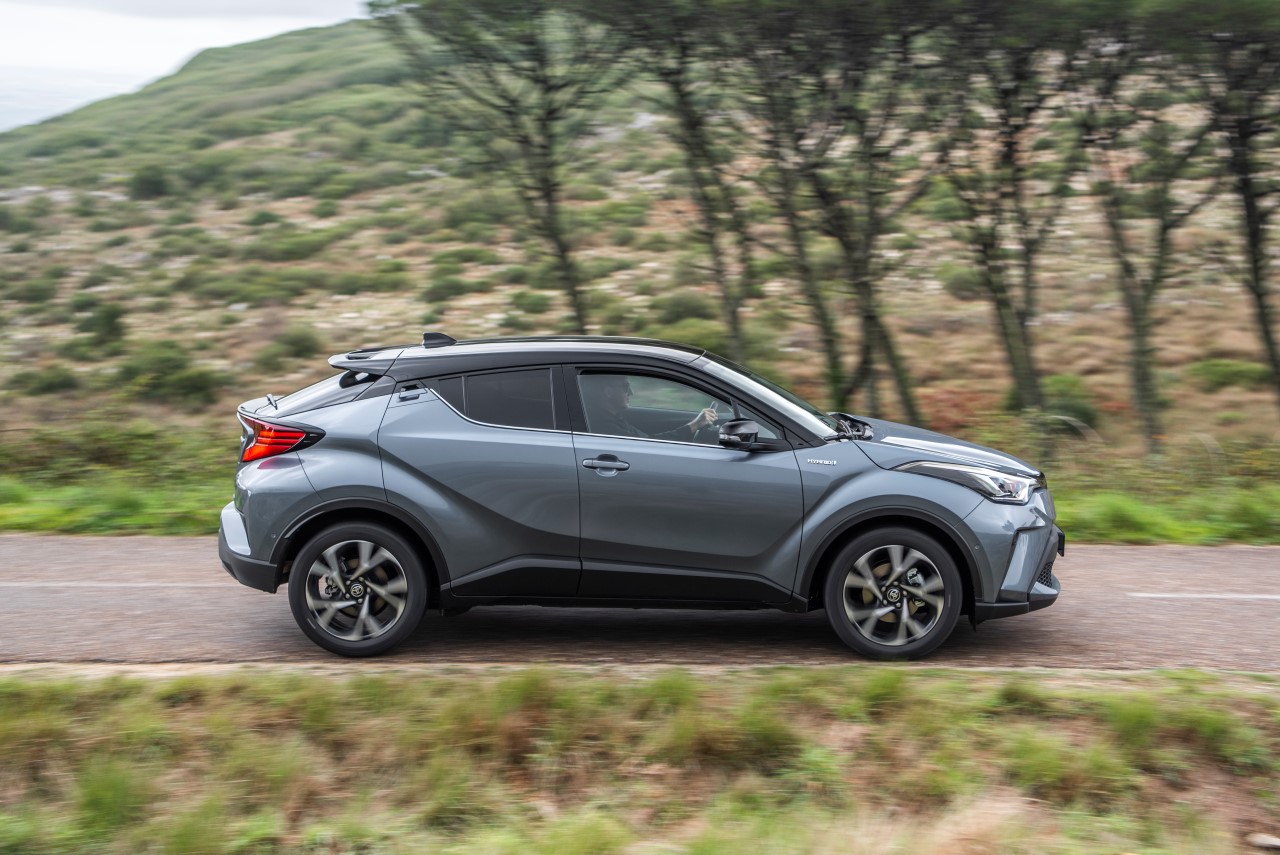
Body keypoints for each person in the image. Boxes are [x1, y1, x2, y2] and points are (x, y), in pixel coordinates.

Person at [585, 375, 719, 441]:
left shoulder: (614, 418)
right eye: (625, 387)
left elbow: (648, 439)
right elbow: (650, 443)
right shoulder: (605, 427)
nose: (631, 393)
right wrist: (695, 425)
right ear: (608, 392)